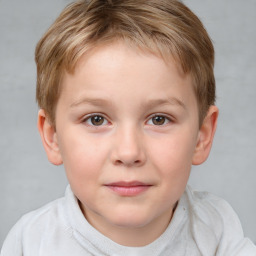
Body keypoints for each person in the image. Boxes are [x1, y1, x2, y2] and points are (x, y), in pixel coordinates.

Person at [1, 0, 256, 255]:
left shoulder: (217, 230)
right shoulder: (31, 242)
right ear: (52, 137)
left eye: (159, 119)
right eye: (96, 119)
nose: (128, 152)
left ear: (202, 136)